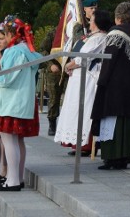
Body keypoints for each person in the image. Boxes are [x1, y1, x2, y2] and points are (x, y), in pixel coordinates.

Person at [91, 3, 130, 170]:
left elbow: (108, 61)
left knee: (113, 123)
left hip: (115, 88)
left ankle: (112, 157)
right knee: (128, 124)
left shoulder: (115, 35)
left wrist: (102, 82)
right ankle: (125, 156)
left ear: (117, 18)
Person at [0, 16, 41, 192]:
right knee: (18, 141)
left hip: (9, 103)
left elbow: (5, 79)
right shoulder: (26, 50)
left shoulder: (14, 51)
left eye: (6, 34)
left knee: (9, 140)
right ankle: (17, 177)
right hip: (20, 102)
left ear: (12, 33)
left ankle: (12, 180)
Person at [54, 10, 111, 153]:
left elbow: (84, 56)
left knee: (84, 110)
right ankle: (76, 142)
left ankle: (85, 145)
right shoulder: (90, 36)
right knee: (74, 109)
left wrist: (69, 65)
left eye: (92, 19)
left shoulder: (100, 38)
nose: (90, 21)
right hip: (78, 78)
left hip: (88, 78)